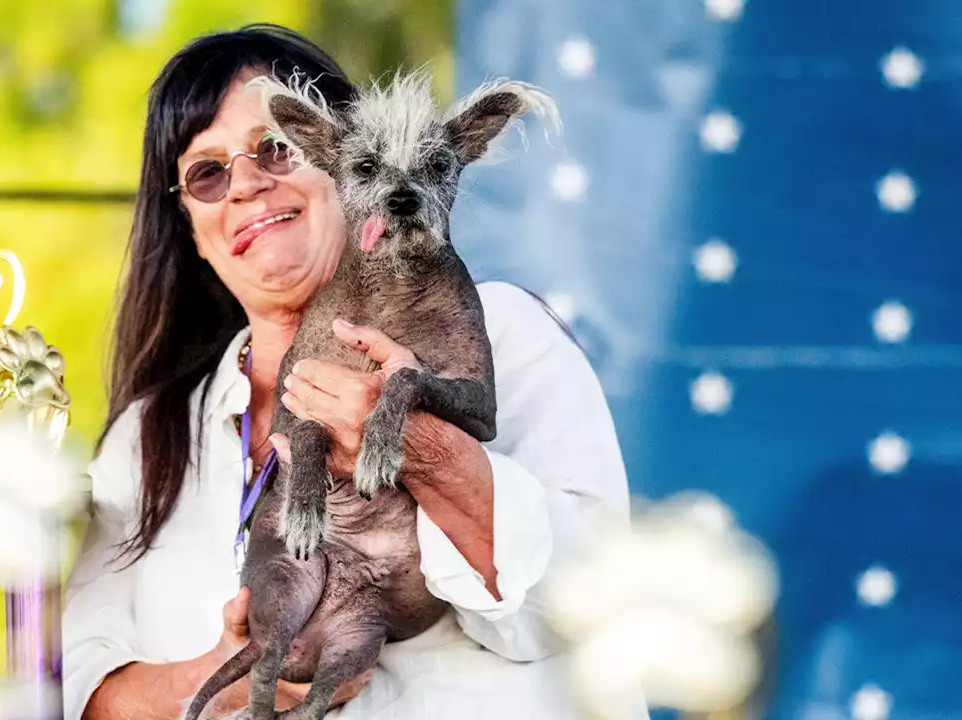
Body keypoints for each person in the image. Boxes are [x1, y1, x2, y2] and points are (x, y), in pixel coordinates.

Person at [63, 22, 635, 720]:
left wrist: (420, 446)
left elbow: (590, 608)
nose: (244, 184)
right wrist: (229, 676)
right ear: (188, 226)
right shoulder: (150, 435)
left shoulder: (504, 334)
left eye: (275, 149)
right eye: (206, 173)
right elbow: (83, 692)